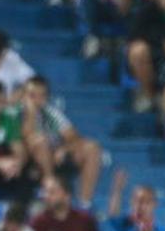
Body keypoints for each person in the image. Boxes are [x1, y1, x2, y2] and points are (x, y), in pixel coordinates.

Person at [19, 76, 103, 209]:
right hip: (24, 161)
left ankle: (84, 205)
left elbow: (74, 137)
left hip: (52, 157)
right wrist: (31, 114)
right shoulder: (14, 113)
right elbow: (25, 138)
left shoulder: (50, 113)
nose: (36, 100)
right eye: (32, 95)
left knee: (91, 148)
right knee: (40, 142)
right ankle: (50, 190)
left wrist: (64, 148)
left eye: (41, 96)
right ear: (23, 95)